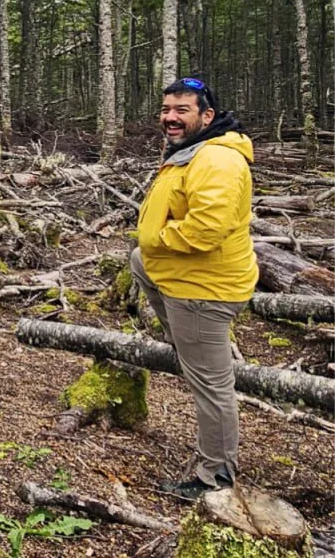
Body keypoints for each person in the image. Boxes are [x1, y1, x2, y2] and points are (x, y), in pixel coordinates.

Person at [132, 78, 257, 500]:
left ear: (207, 115)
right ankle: (182, 343)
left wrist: (156, 240)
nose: (170, 117)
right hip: (187, 278)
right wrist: (150, 247)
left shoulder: (217, 161)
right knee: (138, 263)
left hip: (204, 290)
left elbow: (205, 231)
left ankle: (214, 477)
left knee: (212, 385)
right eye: (166, 109)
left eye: (182, 110)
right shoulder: (193, 152)